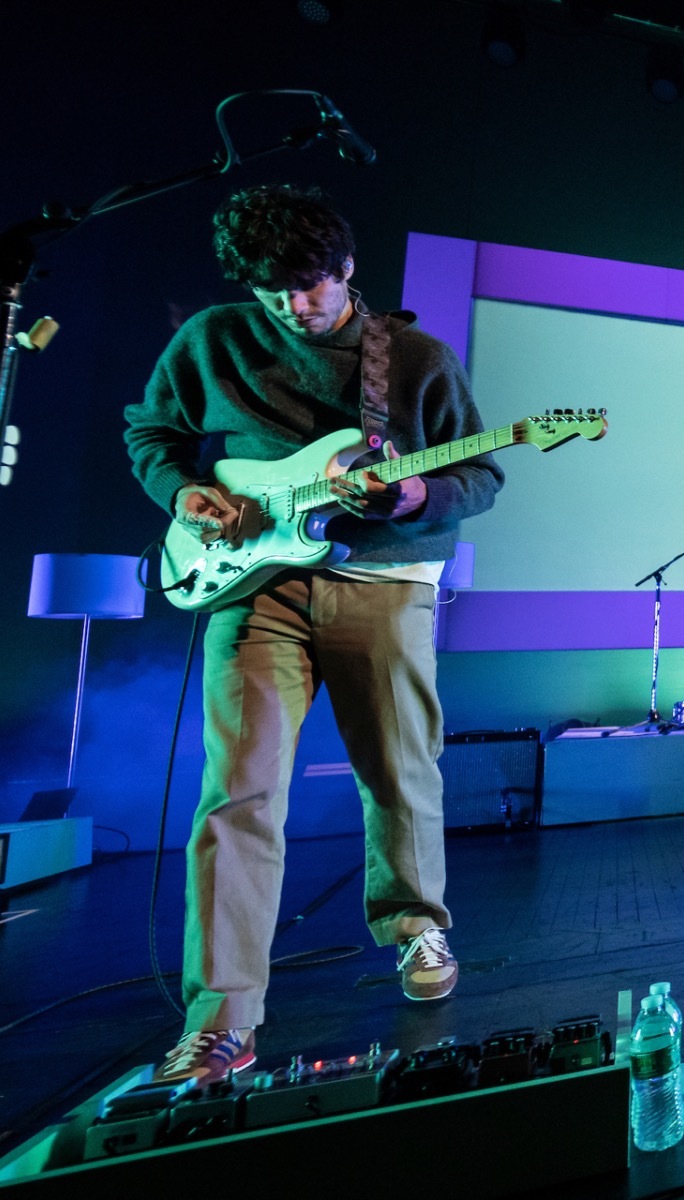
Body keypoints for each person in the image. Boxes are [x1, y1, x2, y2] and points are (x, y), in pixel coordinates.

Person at [125, 184, 505, 1084]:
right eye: (274, 294)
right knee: (239, 792)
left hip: (383, 581)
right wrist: (184, 493)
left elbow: (482, 474)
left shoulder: (412, 358)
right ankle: (220, 1017)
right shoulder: (211, 341)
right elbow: (154, 434)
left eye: (313, 289)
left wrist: (417, 493)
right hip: (252, 592)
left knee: (401, 772)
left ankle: (418, 930)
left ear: (347, 271)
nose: (296, 309)